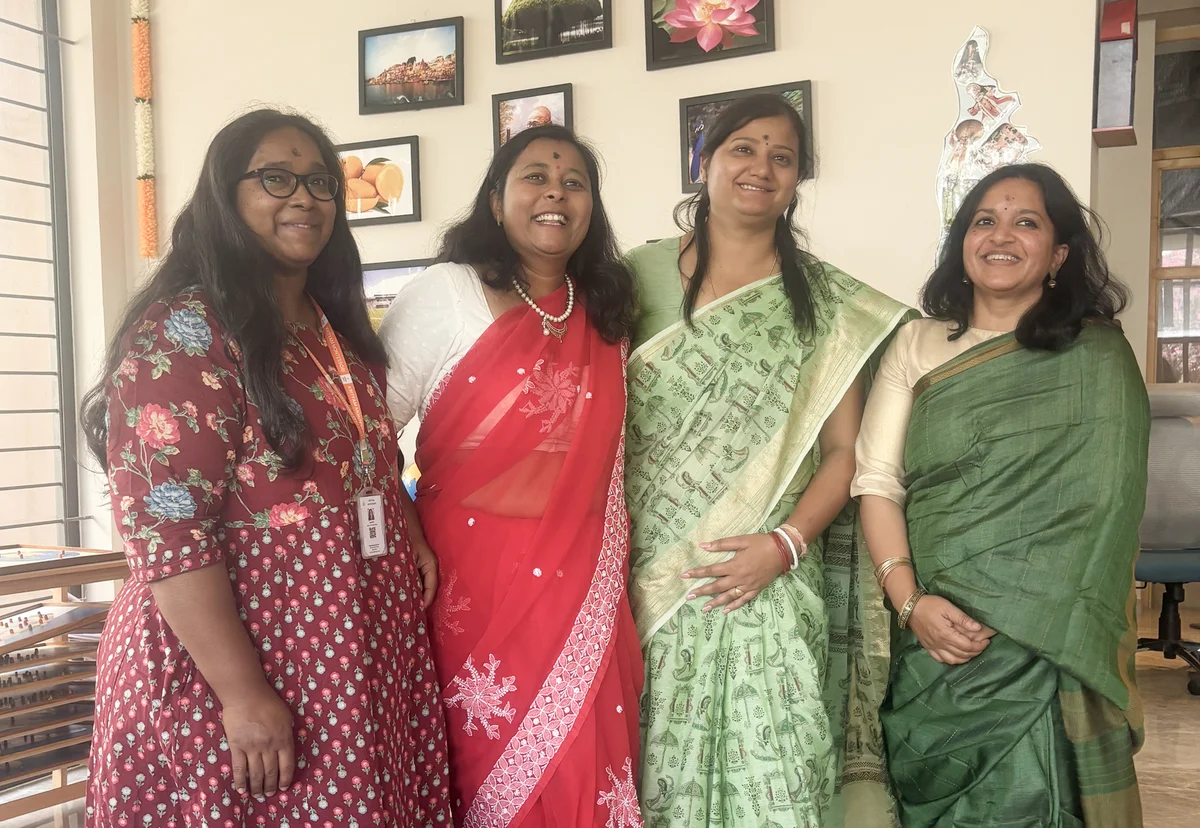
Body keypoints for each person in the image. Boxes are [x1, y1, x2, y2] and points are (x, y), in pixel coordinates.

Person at [80, 109, 450, 828]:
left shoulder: (328, 325)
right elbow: (169, 532)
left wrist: (406, 529)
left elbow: (368, 454)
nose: (304, 197)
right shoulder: (186, 330)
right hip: (237, 656)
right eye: (275, 178)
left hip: (346, 643)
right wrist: (242, 694)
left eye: (320, 181)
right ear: (226, 195)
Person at [624, 93, 913, 828]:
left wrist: (783, 546)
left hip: (772, 576)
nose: (761, 168)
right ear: (705, 161)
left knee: (776, 781)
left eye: (782, 157)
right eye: (743, 149)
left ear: (798, 180)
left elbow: (845, 453)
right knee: (657, 781)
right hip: (648, 577)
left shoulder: (829, 302)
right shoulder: (631, 277)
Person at [855, 163, 1147, 827]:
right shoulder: (916, 343)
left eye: (1026, 222)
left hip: (1051, 643)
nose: (1001, 236)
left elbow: (1109, 505)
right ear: (962, 241)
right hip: (936, 634)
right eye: (984, 220)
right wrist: (910, 603)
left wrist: (1031, 604)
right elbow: (877, 482)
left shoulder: (1097, 358)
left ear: (1059, 253)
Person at [377, 125, 644, 828]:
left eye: (574, 182)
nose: (556, 192)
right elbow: (362, 434)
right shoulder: (447, 292)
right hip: (468, 581)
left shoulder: (608, 314)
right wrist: (409, 536)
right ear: (496, 201)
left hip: (583, 585)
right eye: (535, 177)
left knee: (582, 762)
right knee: (481, 758)